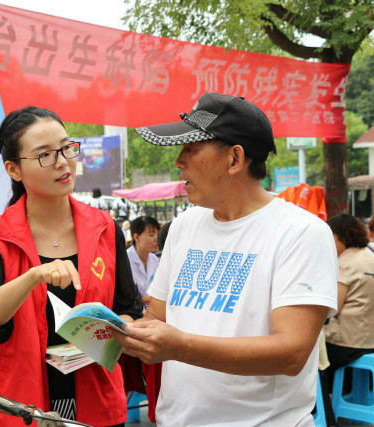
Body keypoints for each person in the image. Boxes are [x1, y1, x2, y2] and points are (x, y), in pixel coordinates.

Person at [112, 92, 338, 427]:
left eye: (191, 148)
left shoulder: (301, 232)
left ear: (235, 159)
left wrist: (180, 346)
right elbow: (158, 316)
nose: (179, 161)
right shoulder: (185, 226)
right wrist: (123, 328)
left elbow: (292, 352)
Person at [0, 106, 143, 427]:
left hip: (97, 400)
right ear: (13, 169)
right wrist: (33, 277)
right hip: (25, 408)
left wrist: (107, 336)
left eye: (66, 148)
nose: (62, 162)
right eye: (44, 155)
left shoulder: (105, 228)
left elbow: (128, 309)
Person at [323, 214, 374, 377]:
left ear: (341, 236)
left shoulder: (344, 264)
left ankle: (326, 401)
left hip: (347, 344)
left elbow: (333, 307)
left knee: (314, 357)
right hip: (370, 342)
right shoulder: (370, 256)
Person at [127, 216, 160, 304]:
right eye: (151, 235)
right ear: (136, 237)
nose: (156, 239)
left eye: (158, 234)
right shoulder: (125, 260)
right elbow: (127, 296)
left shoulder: (155, 260)